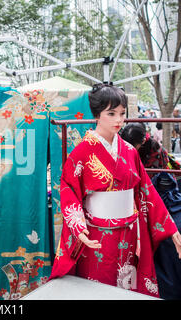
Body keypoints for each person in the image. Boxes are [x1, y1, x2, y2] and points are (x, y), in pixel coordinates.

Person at [49, 83, 181, 298]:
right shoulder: (82, 152)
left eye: (121, 113)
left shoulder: (129, 151)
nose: (119, 120)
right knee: (98, 287)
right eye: (111, 113)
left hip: (129, 232)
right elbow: (69, 189)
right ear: (97, 114)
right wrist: (77, 224)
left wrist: (171, 228)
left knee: (127, 284)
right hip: (97, 233)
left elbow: (146, 191)